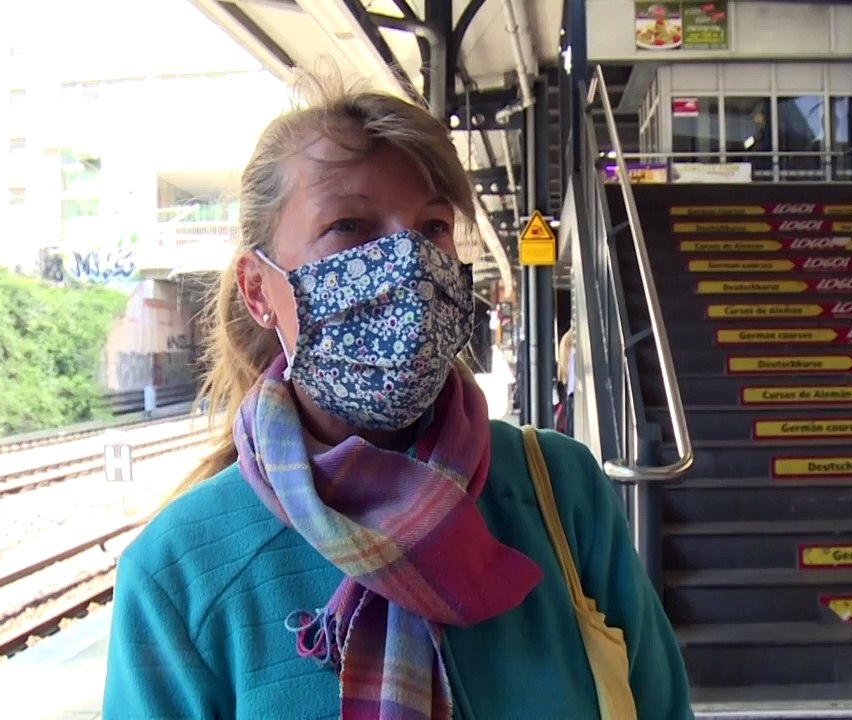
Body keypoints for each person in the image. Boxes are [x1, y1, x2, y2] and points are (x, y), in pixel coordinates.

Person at [101, 74, 691, 720]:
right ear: (258, 289)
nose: (406, 260)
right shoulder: (180, 578)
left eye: (432, 226)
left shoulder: (560, 493)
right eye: (349, 225)